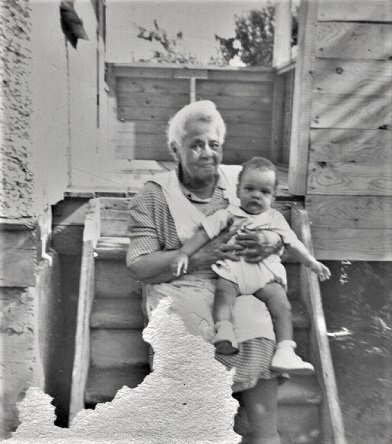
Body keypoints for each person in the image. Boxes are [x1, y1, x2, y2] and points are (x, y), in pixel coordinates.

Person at [127, 100, 287, 444]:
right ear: (175, 149)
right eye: (196, 144)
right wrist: (203, 256)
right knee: (186, 331)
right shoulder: (155, 194)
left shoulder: (240, 183)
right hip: (178, 288)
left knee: (259, 318)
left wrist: (271, 245)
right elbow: (139, 265)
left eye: (214, 144)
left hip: (235, 286)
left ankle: (264, 434)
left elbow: (275, 227)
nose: (206, 153)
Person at [171, 156, 331, 375]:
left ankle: (285, 351)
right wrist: (183, 253)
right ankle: (224, 331)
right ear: (238, 191)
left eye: (264, 192)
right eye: (250, 189)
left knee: (282, 306)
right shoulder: (227, 214)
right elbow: (203, 234)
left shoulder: (275, 219)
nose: (256, 195)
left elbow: (294, 244)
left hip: (264, 274)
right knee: (223, 294)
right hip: (233, 270)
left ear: (273, 197)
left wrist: (312, 263)